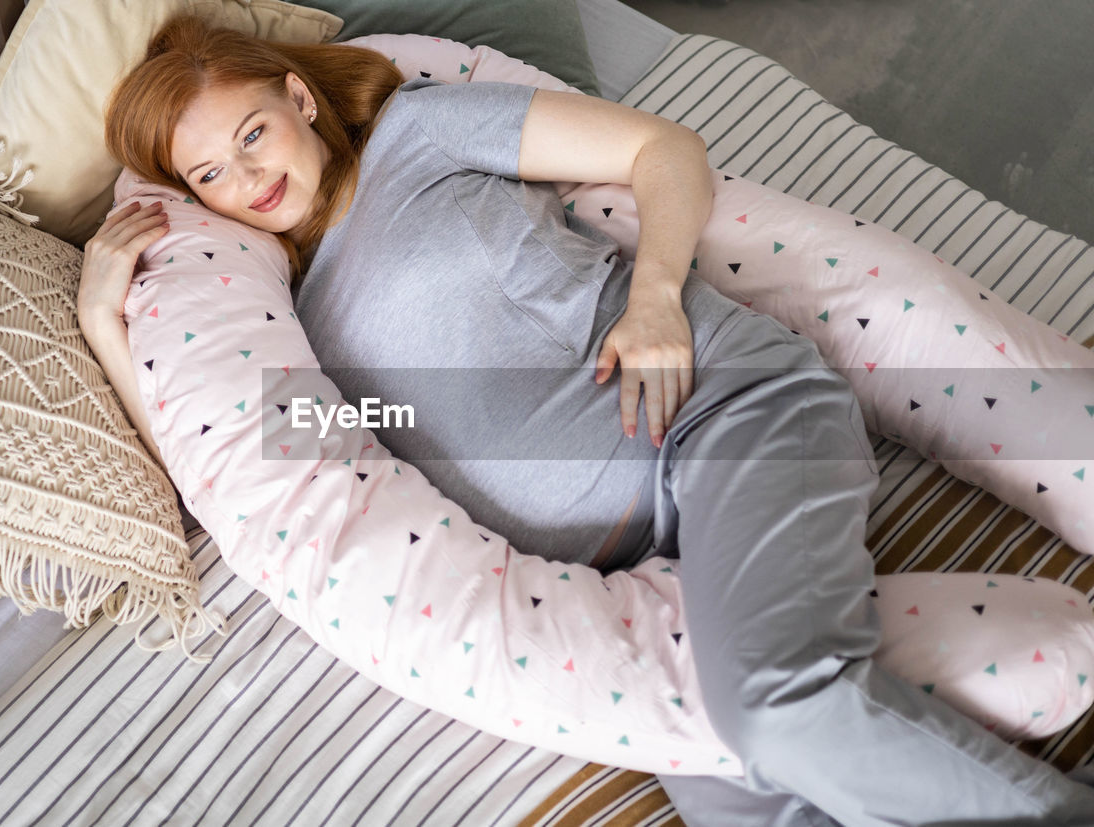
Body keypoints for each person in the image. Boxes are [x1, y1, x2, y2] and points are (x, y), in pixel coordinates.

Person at [77, 15, 1094, 826]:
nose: (248, 177)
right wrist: (103, 319)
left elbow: (663, 149)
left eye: (252, 132)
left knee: (773, 709)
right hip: (627, 574)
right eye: (210, 173)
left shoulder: (415, 135)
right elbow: (228, 476)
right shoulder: (296, 324)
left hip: (725, 421)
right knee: (729, 789)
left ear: (298, 97)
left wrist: (655, 293)